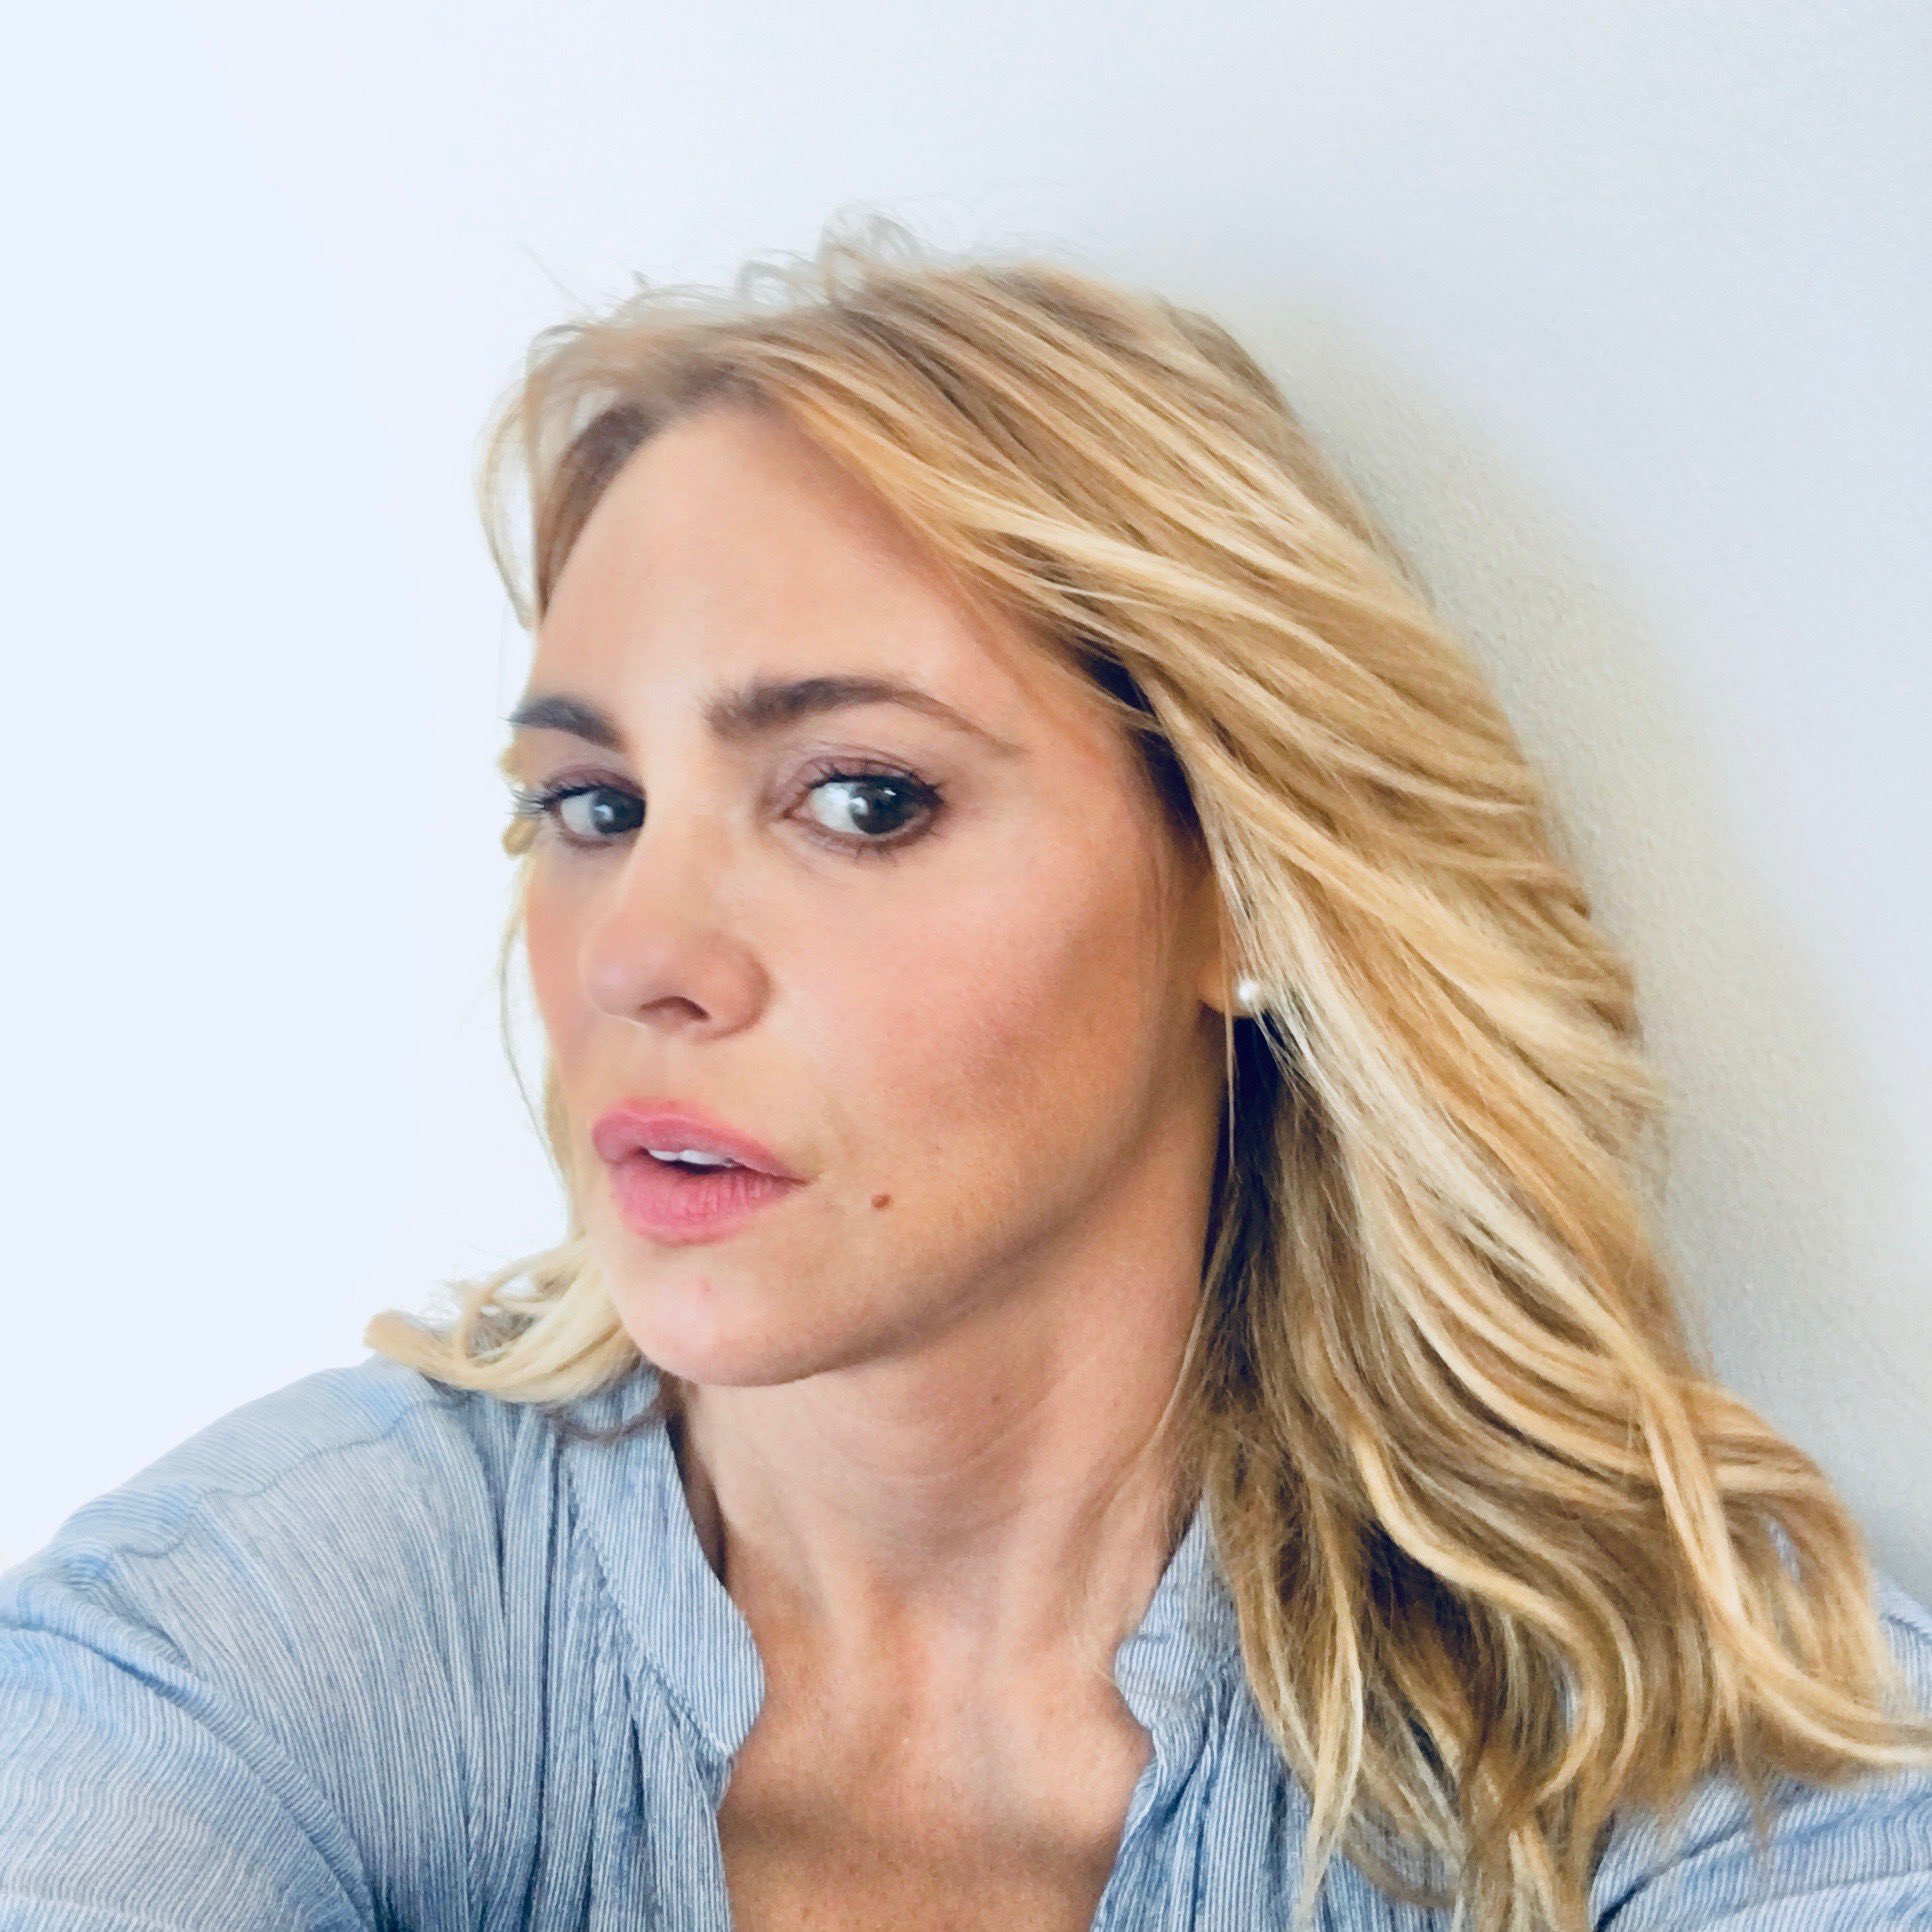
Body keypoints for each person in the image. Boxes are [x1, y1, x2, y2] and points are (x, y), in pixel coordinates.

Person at [3, 213, 1929, 1932]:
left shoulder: (1709, 1744)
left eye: (861, 799)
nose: (639, 955)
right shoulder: (250, 1632)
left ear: (1236, 885)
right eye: (592, 804)